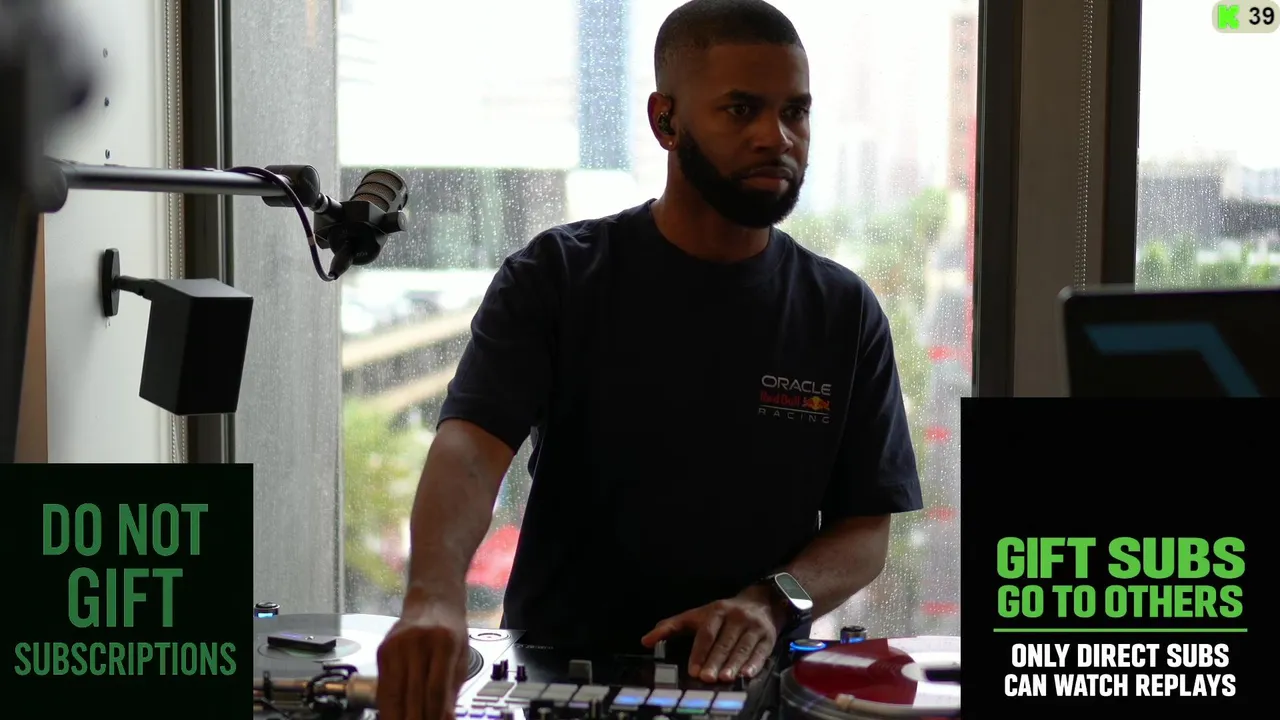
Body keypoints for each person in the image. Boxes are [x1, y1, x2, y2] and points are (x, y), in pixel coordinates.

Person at [375, 0, 924, 717]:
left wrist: (768, 602)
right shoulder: (556, 277)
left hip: (750, 689)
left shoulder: (844, 312)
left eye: (795, 111)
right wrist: (432, 597)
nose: (777, 137)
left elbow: (865, 531)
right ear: (666, 120)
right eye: (741, 109)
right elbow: (471, 452)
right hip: (559, 681)